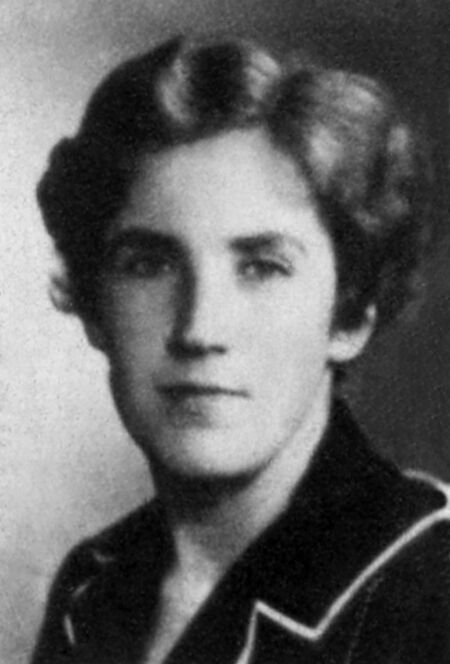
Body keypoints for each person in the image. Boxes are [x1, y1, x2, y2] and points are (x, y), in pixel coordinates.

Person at [31, 34, 450, 664]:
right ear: (94, 307)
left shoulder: (428, 586)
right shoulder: (93, 588)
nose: (200, 329)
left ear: (351, 314)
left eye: (262, 267)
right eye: (149, 263)